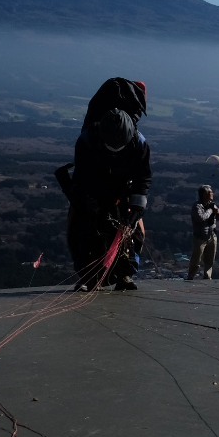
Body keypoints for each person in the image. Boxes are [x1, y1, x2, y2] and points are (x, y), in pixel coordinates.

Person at [58, 88, 151, 291]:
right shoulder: (86, 141)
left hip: (124, 188)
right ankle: (85, 275)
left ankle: (125, 274)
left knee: (135, 231)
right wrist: (87, 200)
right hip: (93, 186)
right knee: (80, 226)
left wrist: (137, 208)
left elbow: (142, 178)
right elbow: (82, 177)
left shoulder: (139, 144)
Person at [189, 185, 219, 280]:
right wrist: (210, 211)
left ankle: (207, 277)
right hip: (200, 237)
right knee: (196, 260)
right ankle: (190, 276)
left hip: (212, 235)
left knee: (210, 260)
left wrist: (218, 212)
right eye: (210, 192)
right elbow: (200, 218)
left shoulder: (212, 204)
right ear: (204, 194)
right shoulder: (197, 206)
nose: (212, 194)